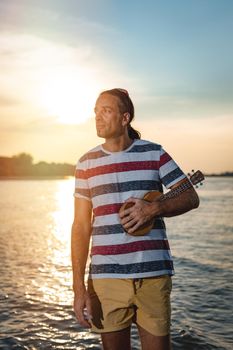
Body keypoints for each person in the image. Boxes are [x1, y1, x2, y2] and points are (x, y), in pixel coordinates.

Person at [71, 88, 199, 350]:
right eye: (96, 111)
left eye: (106, 110)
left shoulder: (154, 153)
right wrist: (78, 289)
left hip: (153, 277)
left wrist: (153, 210)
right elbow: (81, 227)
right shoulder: (86, 164)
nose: (97, 117)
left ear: (124, 117)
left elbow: (190, 197)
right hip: (106, 278)